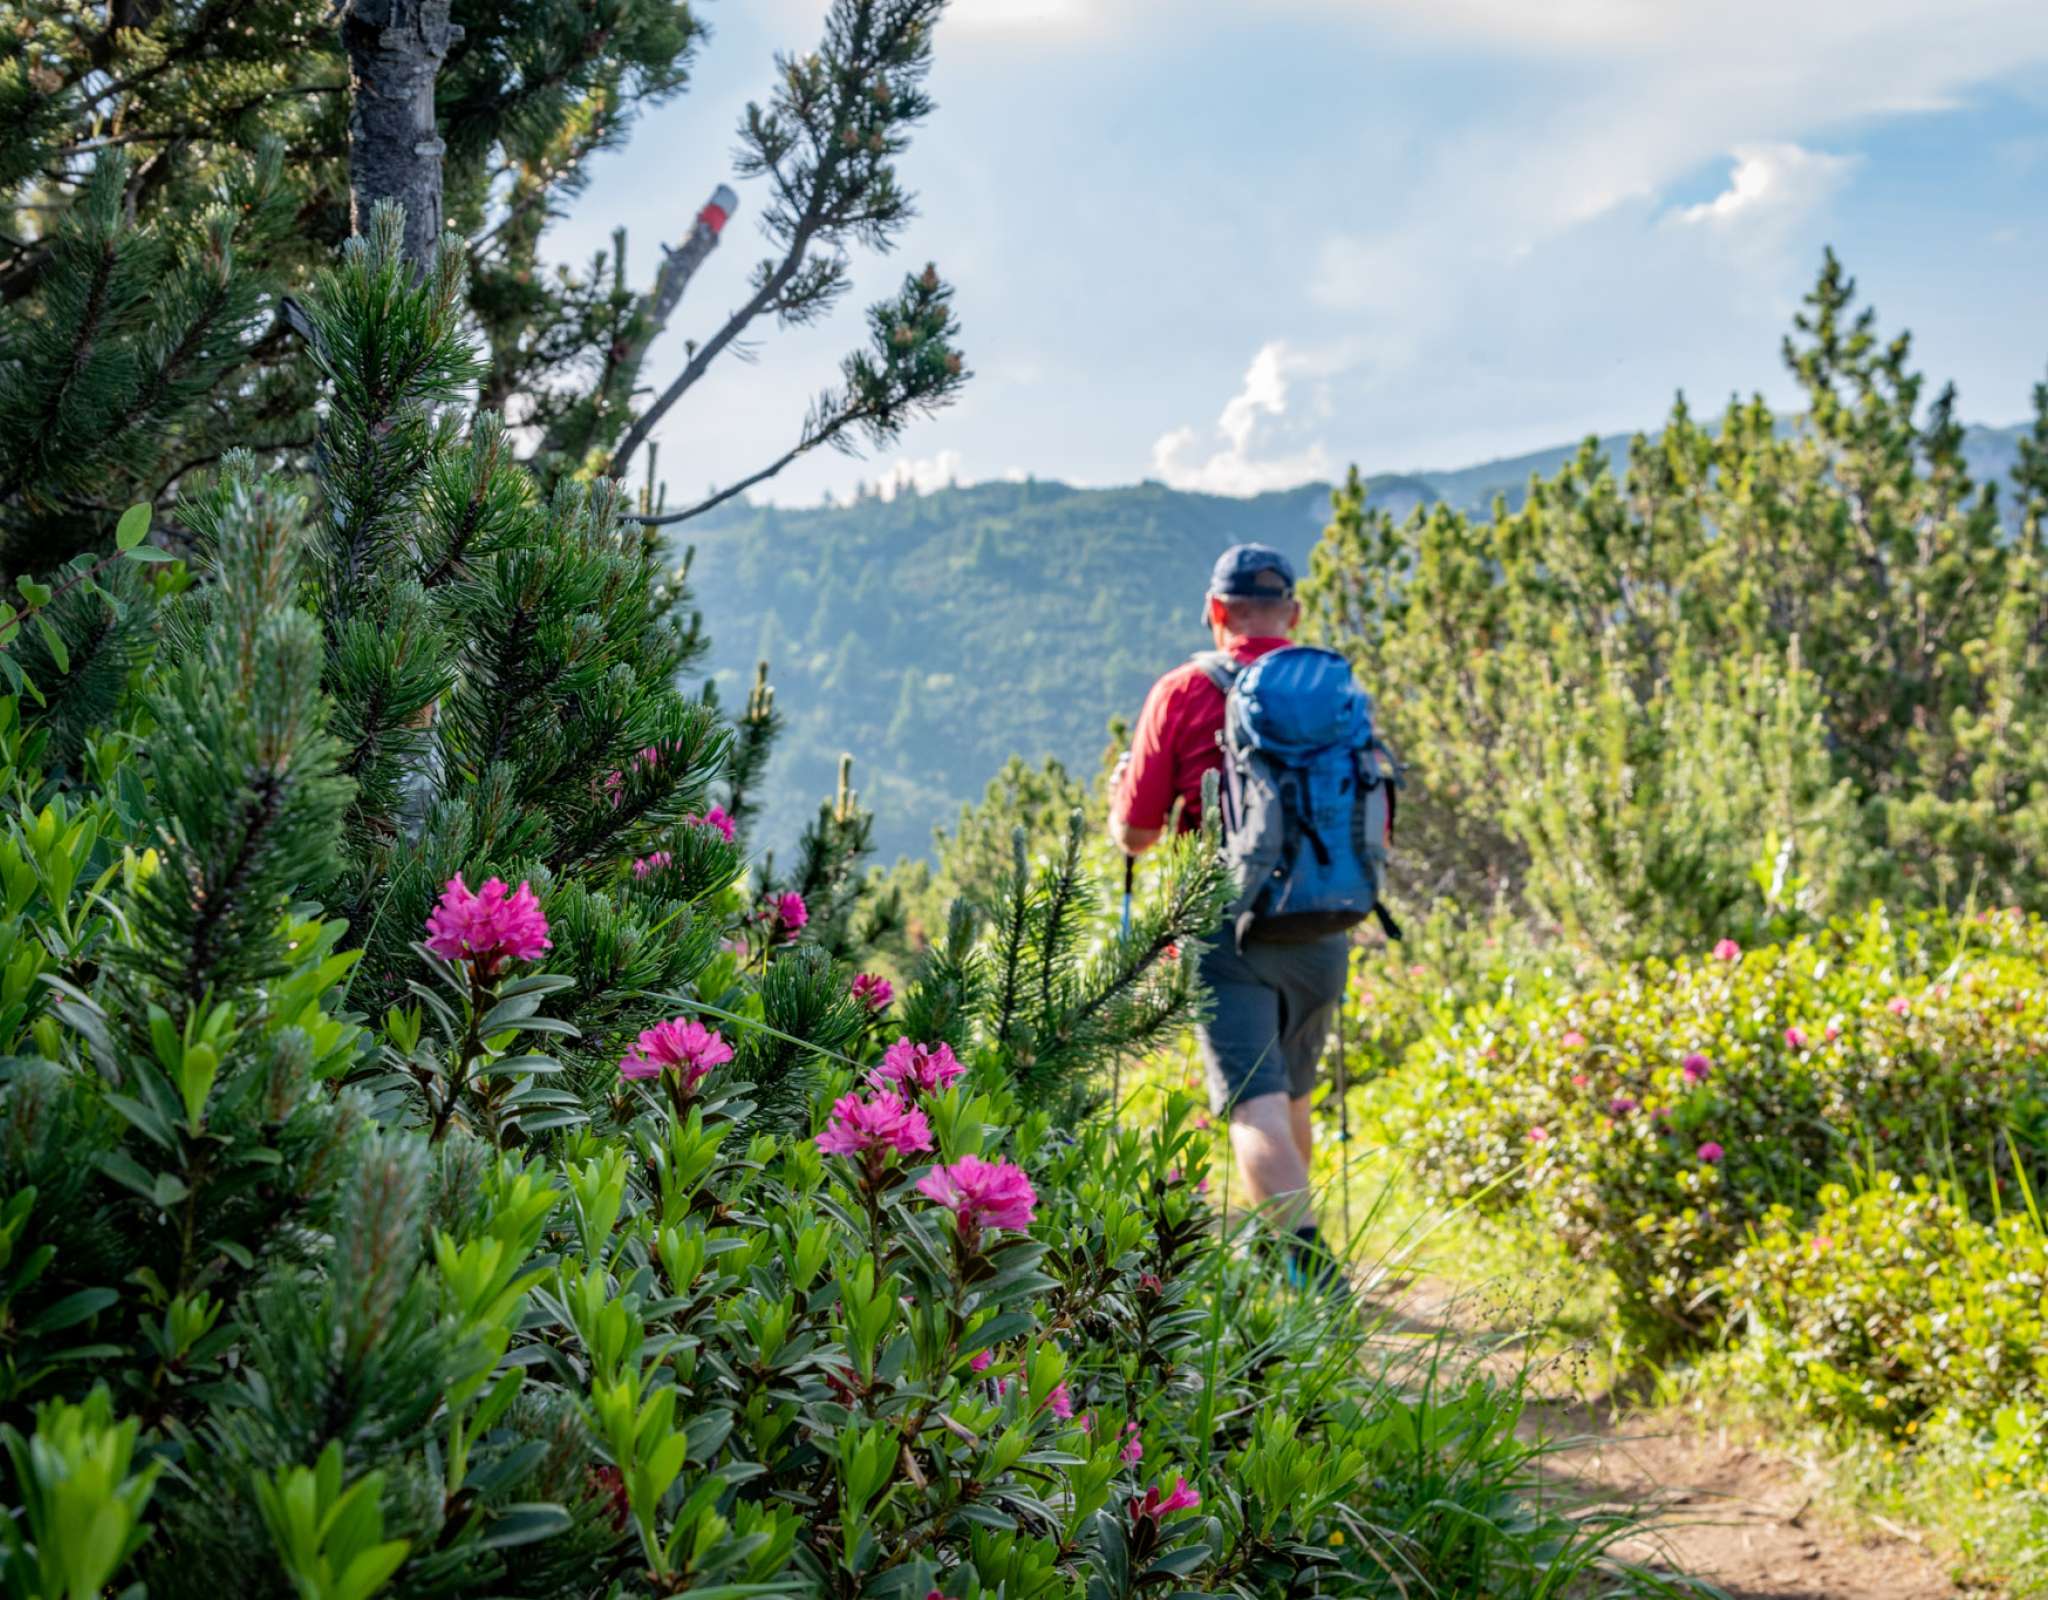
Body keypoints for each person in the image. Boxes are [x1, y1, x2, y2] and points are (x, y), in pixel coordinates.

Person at [1109, 542, 1350, 1281]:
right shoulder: (1333, 692)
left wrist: (1120, 791)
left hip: (1227, 926)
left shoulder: (1182, 692)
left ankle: (1307, 1270)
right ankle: (1283, 1244)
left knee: (1254, 1103)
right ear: (1295, 615)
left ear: (1216, 613)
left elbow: (1139, 835)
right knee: (1294, 1090)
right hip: (1326, 915)